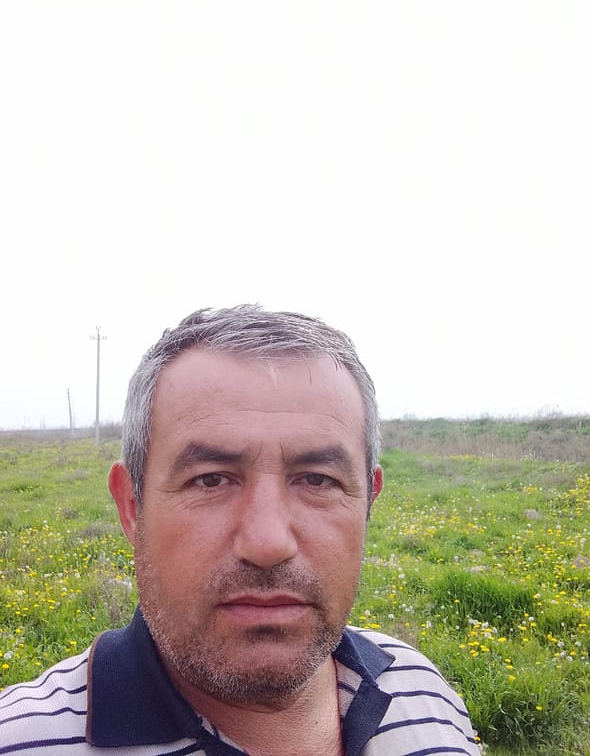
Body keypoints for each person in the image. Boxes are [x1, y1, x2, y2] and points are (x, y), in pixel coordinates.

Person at [0, 305, 480, 756]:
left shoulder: (423, 690)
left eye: (318, 480)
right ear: (132, 507)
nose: (268, 543)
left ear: (368, 502)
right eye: (210, 479)